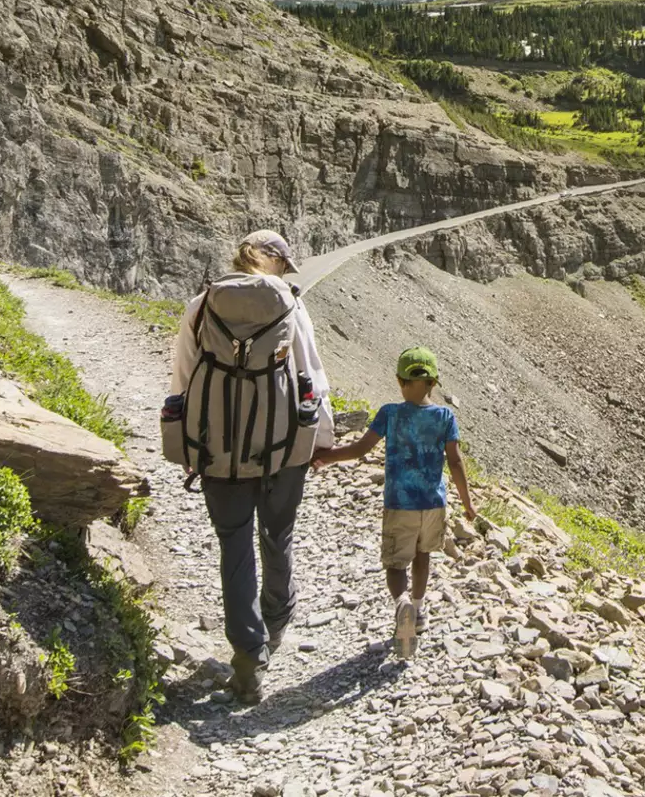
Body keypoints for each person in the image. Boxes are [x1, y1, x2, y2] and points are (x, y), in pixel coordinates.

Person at [169, 229, 333, 702]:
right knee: (276, 536)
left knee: (234, 548)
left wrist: (189, 446)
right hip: (281, 447)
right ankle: (277, 618)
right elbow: (311, 374)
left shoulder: (202, 304)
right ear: (278, 261)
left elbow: (183, 376)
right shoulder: (290, 306)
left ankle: (247, 660)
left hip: (216, 449)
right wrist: (319, 439)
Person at [313, 346, 476, 660]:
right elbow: (455, 462)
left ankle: (401, 602)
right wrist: (468, 504)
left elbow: (360, 449)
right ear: (434, 382)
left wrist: (326, 456)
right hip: (433, 503)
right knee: (422, 553)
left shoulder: (390, 413)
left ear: (400, 381)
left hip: (400, 503)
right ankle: (418, 608)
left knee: (395, 563)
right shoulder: (445, 416)